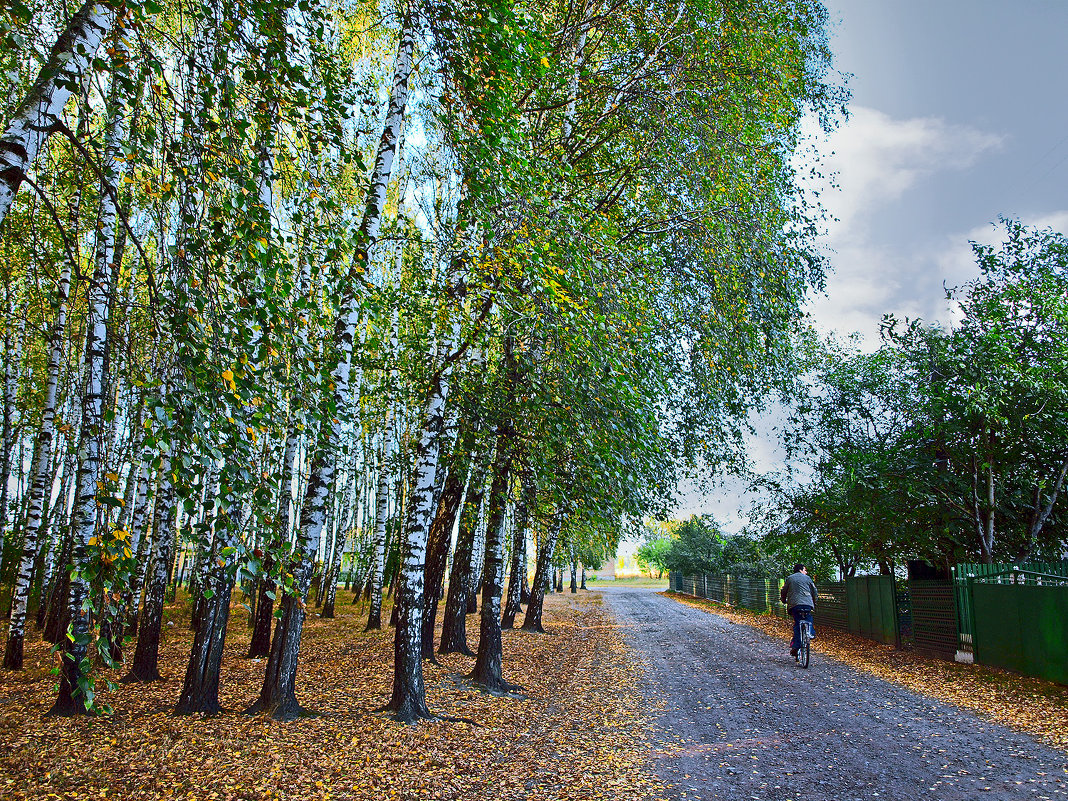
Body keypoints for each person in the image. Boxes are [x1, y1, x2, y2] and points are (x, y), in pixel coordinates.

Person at [780, 563, 817, 658]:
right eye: (805, 570)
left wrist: (783, 600)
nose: (806, 572)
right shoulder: (808, 578)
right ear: (801, 570)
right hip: (808, 604)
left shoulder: (790, 578)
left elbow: (784, 591)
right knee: (808, 618)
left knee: (797, 623)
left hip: (795, 605)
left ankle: (796, 646)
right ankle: (810, 633)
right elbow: (814, 591)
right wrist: (814, 601)